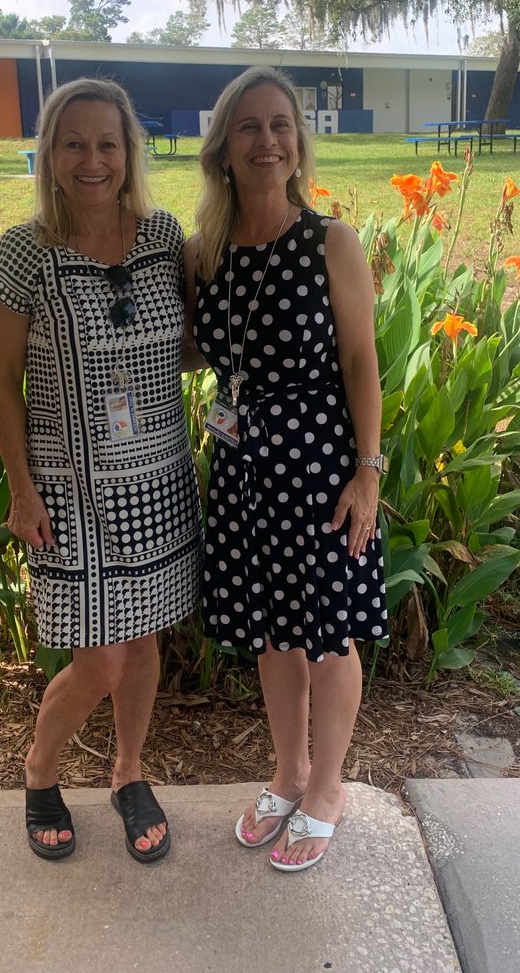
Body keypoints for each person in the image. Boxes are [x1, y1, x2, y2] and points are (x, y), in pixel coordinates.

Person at [0, 78, 203, 864]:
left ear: (129, 152)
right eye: (73, 143)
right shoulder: (24, 252)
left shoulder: (162, 237)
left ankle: (127, 773)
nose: (92, 159)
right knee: (99, 657)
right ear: (49, 154)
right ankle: (40, 770)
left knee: (142, 647)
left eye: (107, 143)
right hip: (66, 487)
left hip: (155, 477)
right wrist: (20, 487)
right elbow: (1, 378)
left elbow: (191, 338)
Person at [184, 67, 387, 872]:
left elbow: (363, 361)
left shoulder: (329, 241)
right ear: (224, 150)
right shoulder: (208, 252)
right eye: (248, 128)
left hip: (318, 464)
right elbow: (198, 346)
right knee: (273, 630)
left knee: (329, 632)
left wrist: (367, 472)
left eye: (280, 125)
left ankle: (329, 785)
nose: (266, 141)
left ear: (297, 142)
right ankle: (287, 771)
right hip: (241, 469)